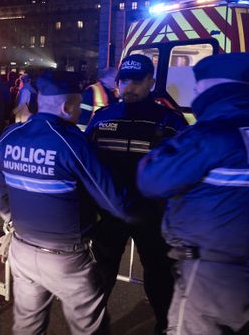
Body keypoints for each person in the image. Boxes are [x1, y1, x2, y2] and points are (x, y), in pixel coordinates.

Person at [0, 70, 131, 335]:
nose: (80, 113)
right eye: (79, 107)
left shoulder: (9, 137)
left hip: (22, 250)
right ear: (67, 107)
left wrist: (12, 220)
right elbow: (115, 202)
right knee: (89, 328)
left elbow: (0, 194)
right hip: (66, 259)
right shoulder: (73, 144)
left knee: (27, 326)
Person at [137, 53, 249, 335]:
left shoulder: (210, 133)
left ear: (213, 87)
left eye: (199, 86)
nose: (195, 91)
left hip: (213, 272)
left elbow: (152, 179)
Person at [86, 54, 187, 334]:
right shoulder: (102, 117)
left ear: (151, 83)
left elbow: (184, 170)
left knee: (159, 279)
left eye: (137, 81)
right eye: (123, 80)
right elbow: (87, 164)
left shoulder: (170, 121)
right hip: (110, 214)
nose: (128, 87)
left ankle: (165, 327)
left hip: (151, 216)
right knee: (101, 277)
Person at [78, 66, 119, 131]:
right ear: (105, 78)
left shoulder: (115, 93)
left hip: (108, 132)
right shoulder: (91, 91)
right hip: (93, 132)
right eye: (115, 78)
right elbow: (82, 118)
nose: (117, 81)